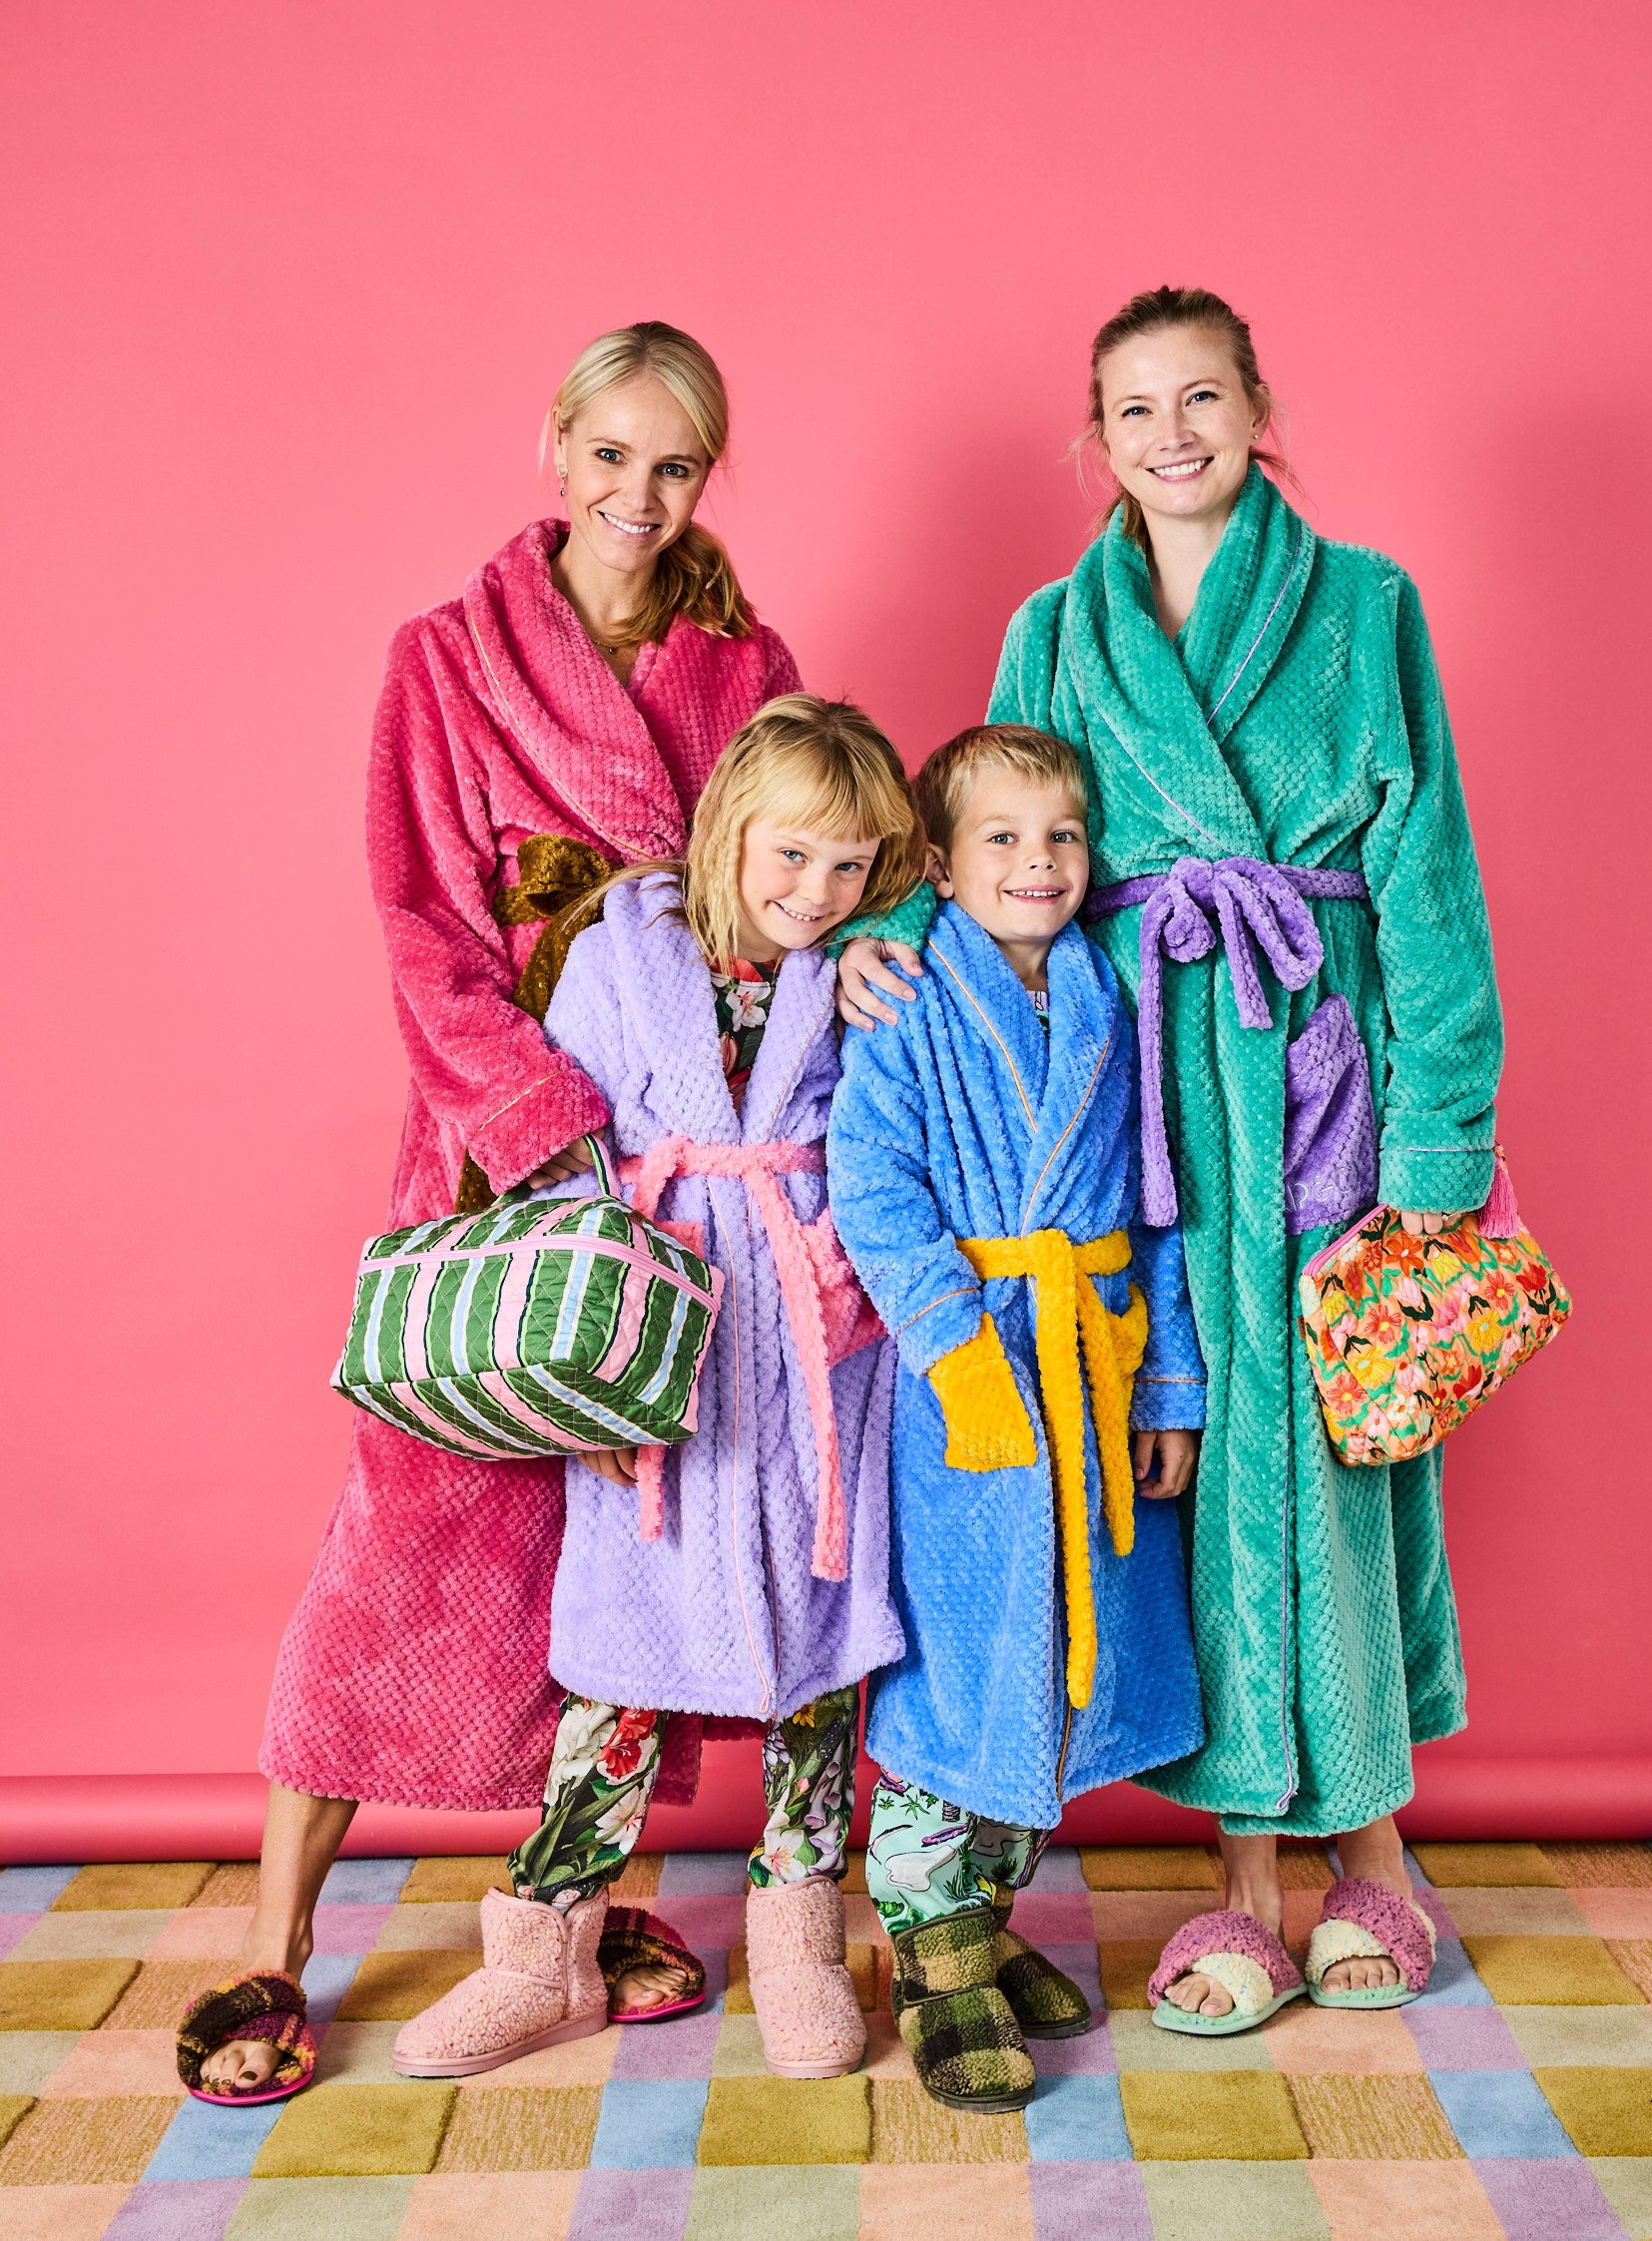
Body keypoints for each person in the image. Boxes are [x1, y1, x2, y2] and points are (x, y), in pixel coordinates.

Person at [837, 286, 1503, 2028]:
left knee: (1343, 1461)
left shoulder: (1367, 606)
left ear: (1260, 403)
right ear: (1098, 442)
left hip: (1315, 1077)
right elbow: (981, 829)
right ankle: (1241, 1887)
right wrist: (878, 941)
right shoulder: (1055, 625)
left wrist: (1441, 1139)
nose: (1173, 434)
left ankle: (1373, 1859)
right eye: (1135, 411)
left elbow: (1427, 877)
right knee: (1191, 1477)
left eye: (1201, 396)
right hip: (1138, 1095)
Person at [187, 322, 806, 2102]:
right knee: (414, 1523)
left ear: (706, 477)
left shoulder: (745, 663)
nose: (638, 495)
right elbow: (418, 927)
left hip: (689, 1146)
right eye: (609, 454)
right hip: (497, 1140)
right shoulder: (446, 660)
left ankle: (579, 1901)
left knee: (626, 1537)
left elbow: (784, 875)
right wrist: (542, 1126)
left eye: (674, 465)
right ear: (554, 449)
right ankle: (273, 1940)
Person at [389, 696, 919, 2083]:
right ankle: (542, 1952)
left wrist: (847, 1267)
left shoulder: (869, 965)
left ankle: (801, 1937)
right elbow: (566, 1129)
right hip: (662, 1348)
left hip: (816, 1347)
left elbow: (889, 1133)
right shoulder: (618, 954)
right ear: (734, 821)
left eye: (852, 867)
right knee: (618, 1668)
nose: (818, 892)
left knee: (821, 1652)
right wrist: (613, 1276)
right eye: (795, 856)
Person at [826, 724, 1206, 2111]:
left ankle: (977, 1921)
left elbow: (1158, 1201)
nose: (1037, 863)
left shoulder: (1110, 993)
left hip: (1090, 1365)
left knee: (1051, 1669)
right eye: (1001, 837)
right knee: (962, 1660)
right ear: (939, 861)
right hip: (971, 1382)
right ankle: (929, 1957)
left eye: (1061, 837)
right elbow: (870, 1180)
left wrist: (1169, 1382)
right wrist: (955, 1348)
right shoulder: (910, 991)